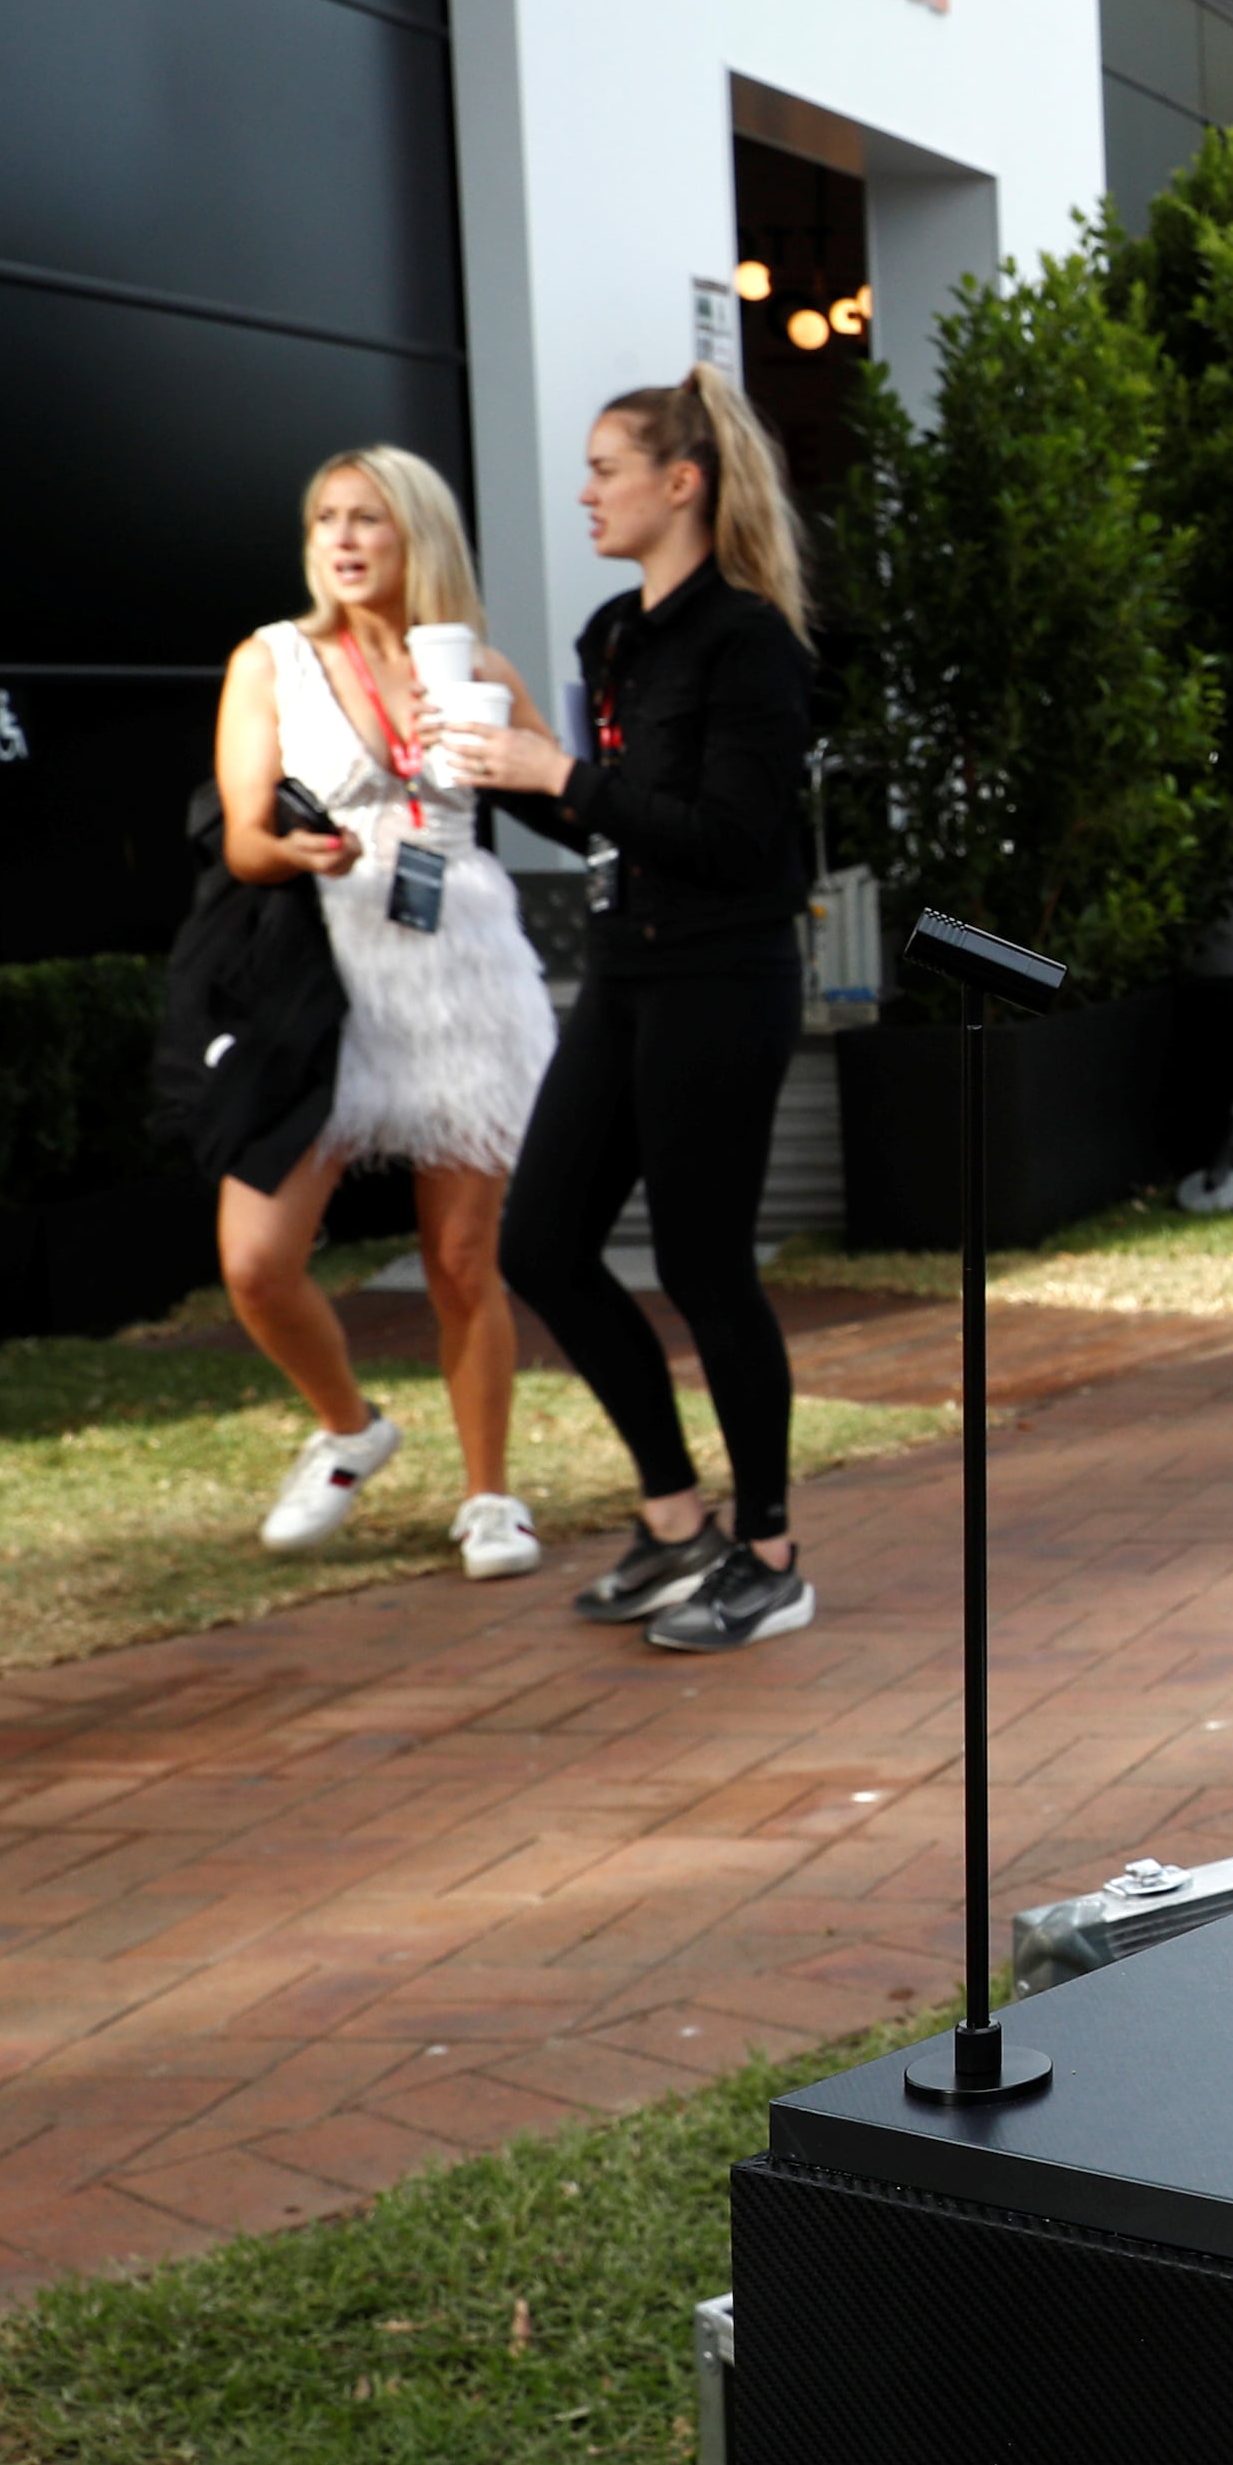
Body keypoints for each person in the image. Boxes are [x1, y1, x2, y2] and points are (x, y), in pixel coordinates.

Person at [447, 372, 826, 1654]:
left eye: (607, 468)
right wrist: (504, 771)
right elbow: (603, 817)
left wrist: (567, 774)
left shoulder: (752, 642)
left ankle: (769, 1553)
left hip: (725, 976)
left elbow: (733, 840)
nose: (585, 490)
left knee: (701, 1266)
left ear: (683, 483)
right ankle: (677, 1524)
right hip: (624, 975)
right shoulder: (617, 634)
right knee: (543, 1243)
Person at [207, 448, 563, 1578]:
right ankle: (350, 1428)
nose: (344, 540)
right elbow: (242, 837)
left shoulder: (480, 665)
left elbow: (564, 791)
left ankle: (491, 1499)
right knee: (257, 1258)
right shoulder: (271, 659)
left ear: (420, 538)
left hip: (463, 977)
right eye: (326, 520)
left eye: (370, 520)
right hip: (324, 984)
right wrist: (294, 849)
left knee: (463, 1261)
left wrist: (511, 747)